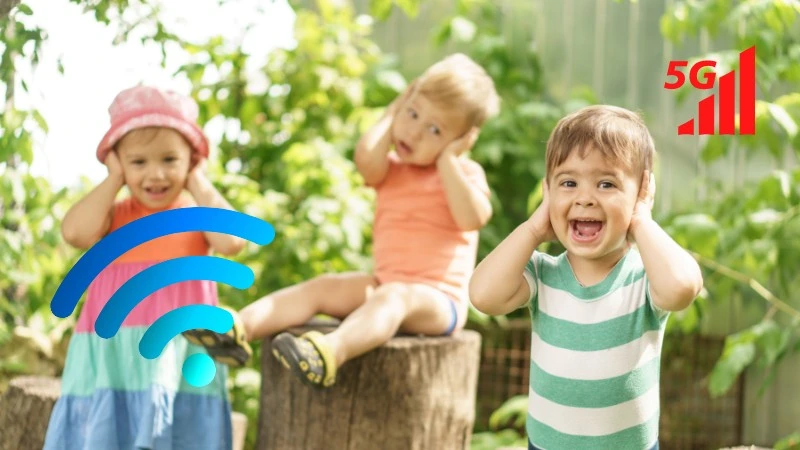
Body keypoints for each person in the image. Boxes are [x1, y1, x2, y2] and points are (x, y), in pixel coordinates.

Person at [184, 53, 500, 388]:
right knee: (323, 288)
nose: (414, 132)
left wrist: (450, 159)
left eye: (435, 129)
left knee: (395, 296)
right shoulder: (391, 169)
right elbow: (365, 159)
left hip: (437, 301)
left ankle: (331, 353)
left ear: (463, 139)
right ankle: (237, 328)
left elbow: (473, 218)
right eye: (413, 113)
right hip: (382, 286)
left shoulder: (463, 173)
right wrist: (391, 113)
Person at [469, 105, 704, 450]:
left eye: (606, 183)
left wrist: (641, 221)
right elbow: (483, 296)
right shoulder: (543, 274)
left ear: (640, 193)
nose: (584, 198)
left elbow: (683, 288)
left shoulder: (643, 279)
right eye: (568, 182)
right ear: (548, 192)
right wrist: (535, 227)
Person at [43, 85, 245, 450]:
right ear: (118, 161)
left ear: (192, 160)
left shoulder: (197, 217)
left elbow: (233, 241)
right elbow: (74, 232)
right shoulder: (112, 218)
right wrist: (114, 179)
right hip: (116, 362)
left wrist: (197, 181)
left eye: (170, 160)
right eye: (138, 162)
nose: (156, 175)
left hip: (178, 358)